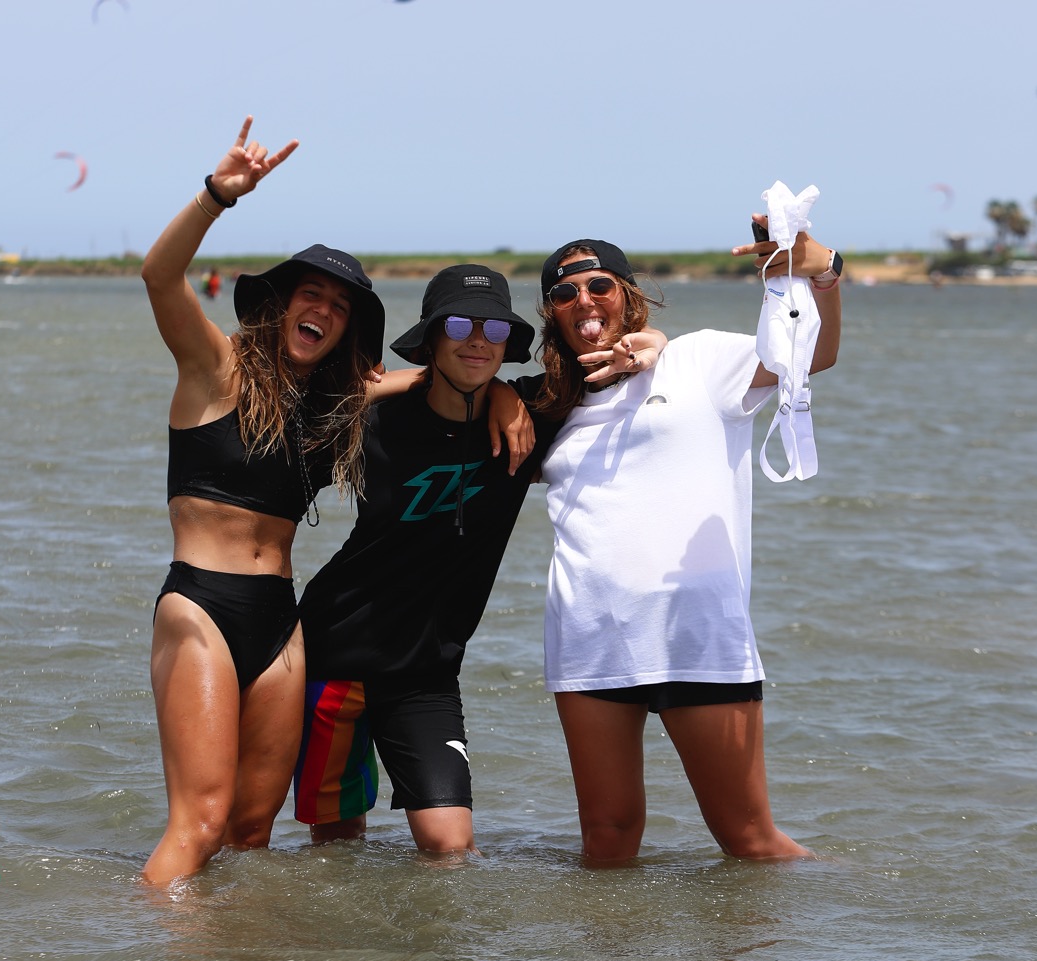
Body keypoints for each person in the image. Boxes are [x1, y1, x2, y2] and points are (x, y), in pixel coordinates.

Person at [534, 226, 842, 864]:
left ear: (629, 295)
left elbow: (811, 356)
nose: (584, 301)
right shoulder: (544, 406)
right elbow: (444, 398)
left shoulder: (697, 361)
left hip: (698, 637)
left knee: (749, 840)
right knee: (607, 842)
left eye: (599, 285)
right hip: (589, 640)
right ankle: (604, 942)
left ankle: (859, 912)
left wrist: (824, 274)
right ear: (551, 313)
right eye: (565, 293)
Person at [138, 117, 386, 884]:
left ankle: (233, 951)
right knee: (201, 822)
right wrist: (218, 196)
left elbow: (444, 382)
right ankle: (137, 944)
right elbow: (159, 277)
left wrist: (508, 400)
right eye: (312, 295)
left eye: (340, 306)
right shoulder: (214, 368)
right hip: (201, 608)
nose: (324, 311)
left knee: (250, 831)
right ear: (281, 304)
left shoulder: (337, 407)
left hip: (280, 624)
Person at [294, 265, 614, 855]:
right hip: (336, 654)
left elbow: (615, 364)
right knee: (337, 847)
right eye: (460, 326)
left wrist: (506, 394)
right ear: (431, 338)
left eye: (495, 329)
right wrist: (393, 385)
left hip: (427, 671)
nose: (478, 341)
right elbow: (300, 405)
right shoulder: (376, 424)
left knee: (451, 848)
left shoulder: (530, 420)